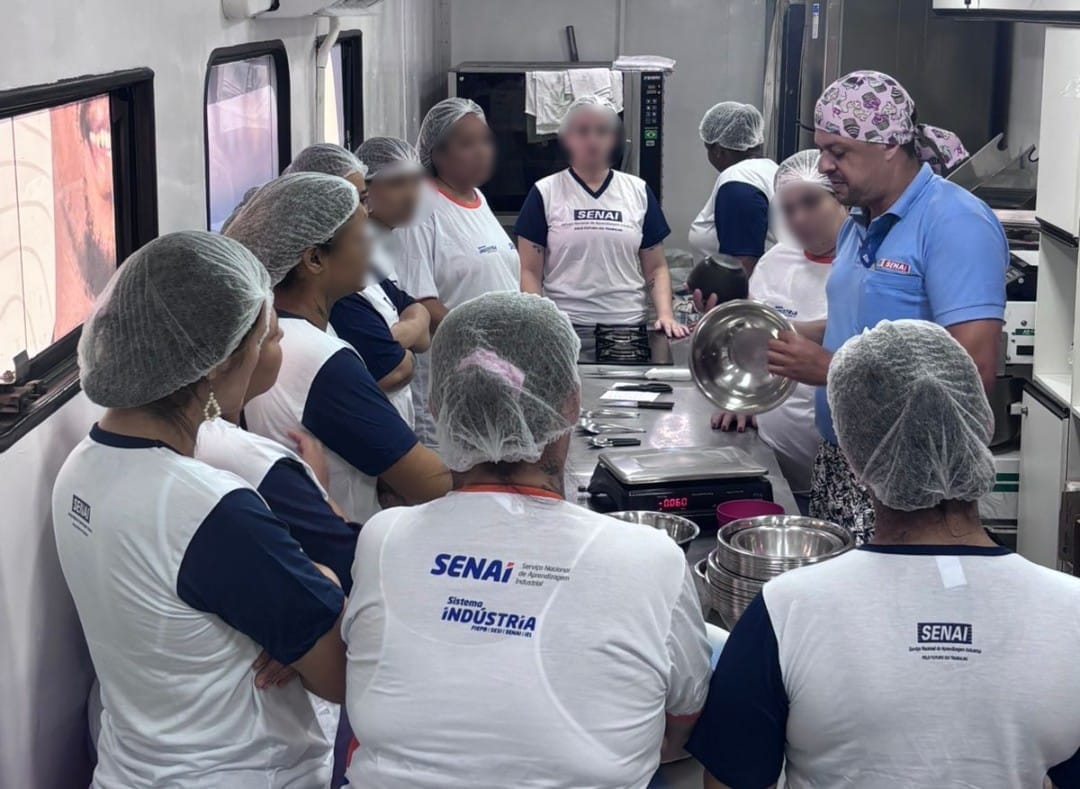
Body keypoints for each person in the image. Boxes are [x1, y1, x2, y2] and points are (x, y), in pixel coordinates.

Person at [688, 319, 1080, 788]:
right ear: (983, 425)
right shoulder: (1071, 612)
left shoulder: (786, 611)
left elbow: (728, 782)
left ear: (854, 457)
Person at [341, 292, 712, 788]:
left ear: (437, 407)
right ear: (572, 404)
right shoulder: (652, 560)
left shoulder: (384, 537)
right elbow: (683, 719)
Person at [54, 232, 346, 787]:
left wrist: (294, 609)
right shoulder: (211, 510)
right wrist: (322, 582)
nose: (269, 352)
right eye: (261, 340)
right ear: (215, 362)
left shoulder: (80, 469)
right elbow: (340, 674)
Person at [766, 70, 1008, 544]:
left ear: (891, 145)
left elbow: (972, 372)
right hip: (843, 461)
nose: (824, 165)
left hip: (915, 482)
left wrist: (828, 369)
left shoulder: (954, 223)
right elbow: (866, 321)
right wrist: (790, 332)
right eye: (821, 149)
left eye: (839, 152)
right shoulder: (859, 221)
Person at [224, 172, 451, 524]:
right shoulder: (319, 358)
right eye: (361, 239)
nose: (372, 250)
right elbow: (429, 482)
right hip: (343, 541)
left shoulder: (282, 335)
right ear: (315, 259)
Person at [711, 150, 848, 496]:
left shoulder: (861, 265)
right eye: (788, 209)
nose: (799, 218)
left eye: (811, 202)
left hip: (845, 468)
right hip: (776, 459)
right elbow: (749, 347)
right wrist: (742, 399)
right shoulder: (775, 262)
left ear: (840, 199)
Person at [196, 308, 360, 593]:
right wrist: (319, 493)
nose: (283, 333)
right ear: (224, 360)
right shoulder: (254, 461)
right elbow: (353, 565)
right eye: (271, 337)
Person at [396, 97, 520, 445]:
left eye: (485, 141)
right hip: (451, 375)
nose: (482, 152)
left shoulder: (478, 198)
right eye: (467, 144)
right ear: (436, 153)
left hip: (498, 370)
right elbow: (420, 303)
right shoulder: (420, 207)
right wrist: (482, 345)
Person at [515, 95, 688, 343]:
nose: (592, 140)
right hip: (562, 327)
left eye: (602, 131)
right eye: (583, 131)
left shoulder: (638, 191)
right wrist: (537, 320)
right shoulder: (545, 192)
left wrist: (665, 314)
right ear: (568, 138)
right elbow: (529, 270)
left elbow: (656, 267)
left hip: (628, 326)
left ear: (613, 139)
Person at [328, 137, 431, 425]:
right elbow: (392, 371)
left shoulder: (381, 249)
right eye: (398, 183)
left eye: (416, 182)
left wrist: (393, 338)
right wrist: (402, 343)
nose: (411, 195)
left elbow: (421, 323)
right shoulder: (343, 276)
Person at [688, 101, 778, 302]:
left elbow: (740, 264)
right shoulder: (770, 170)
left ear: (719, 151)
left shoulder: (738, 182)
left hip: (747, 305)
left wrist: (724, 310)